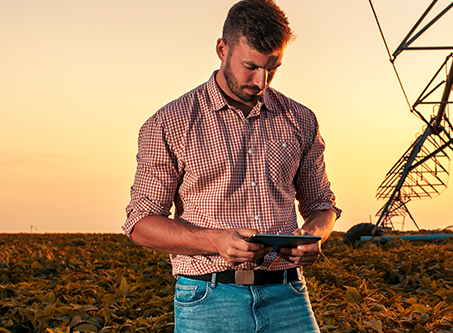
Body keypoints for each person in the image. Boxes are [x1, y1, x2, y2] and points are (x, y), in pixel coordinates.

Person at [121, 1, 339, 331]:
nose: (261, 80)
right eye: (250, 66)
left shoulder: (300, 120)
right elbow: (140, 223)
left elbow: (323, 206)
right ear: (222, 49)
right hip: (208, 297)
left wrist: (314, 236)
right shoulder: (170, 123)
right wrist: (217, 241)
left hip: (287, 294)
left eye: (273, 67)